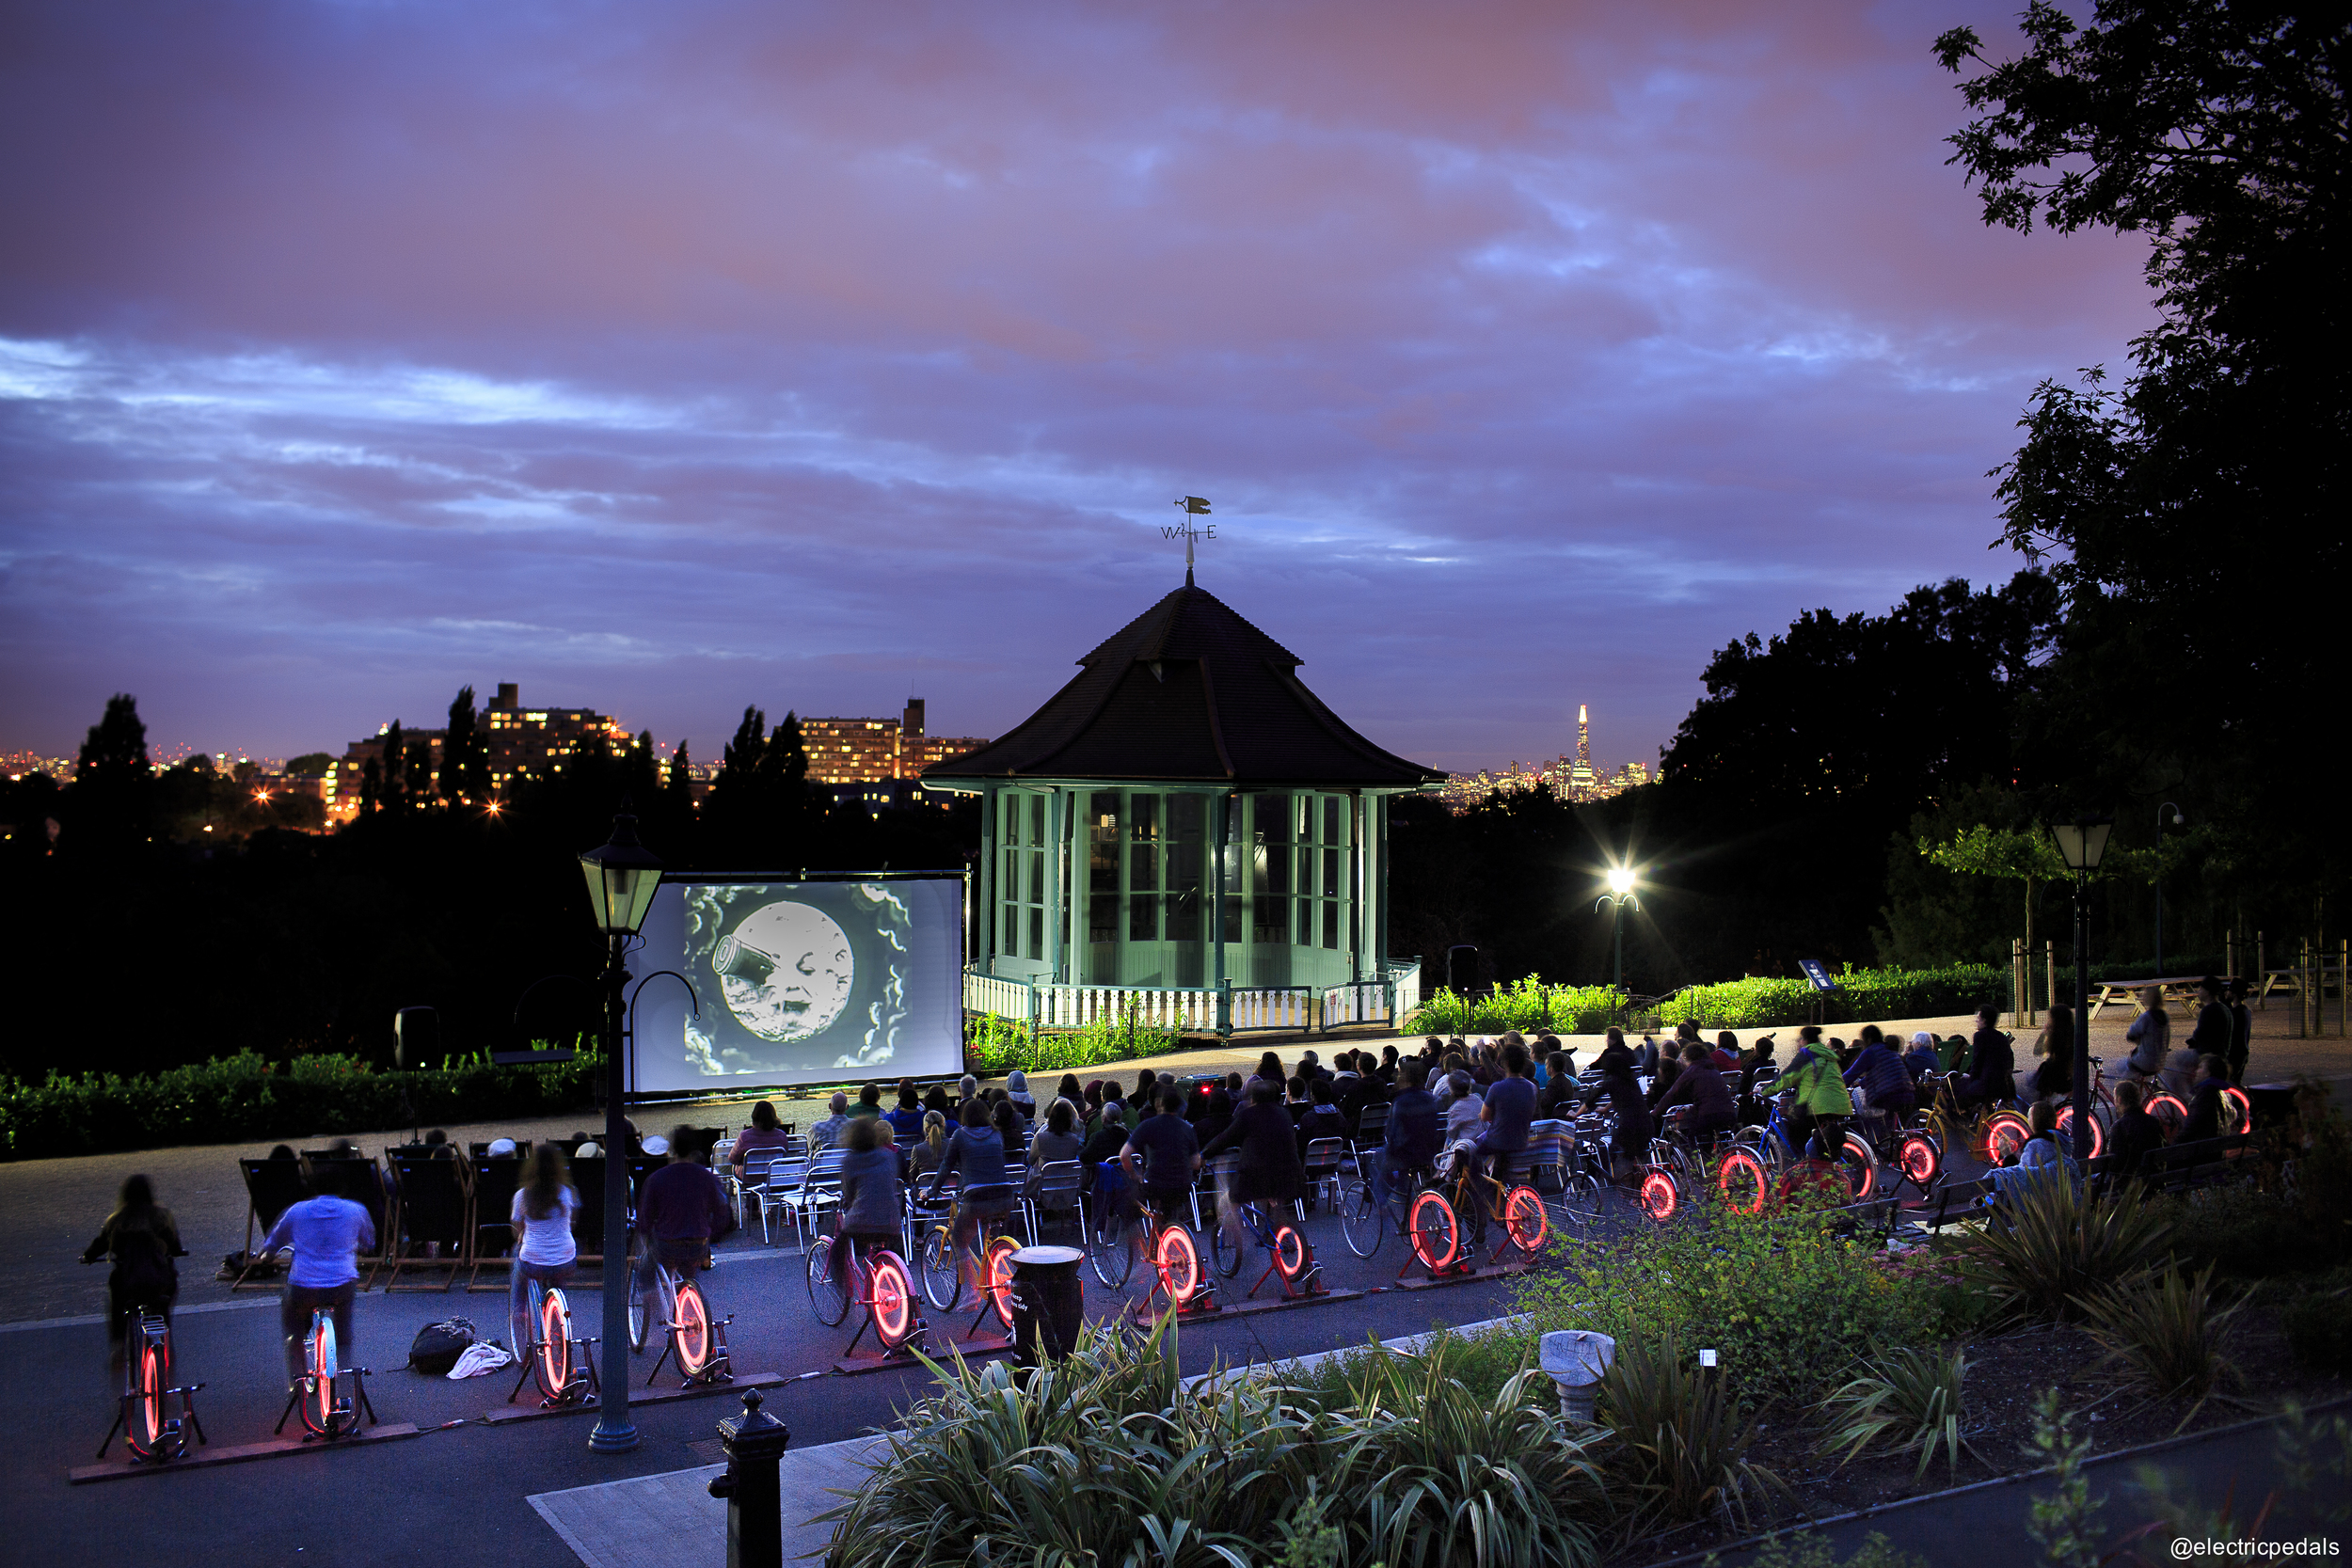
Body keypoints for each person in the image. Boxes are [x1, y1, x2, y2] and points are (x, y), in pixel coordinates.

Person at [260, 1160, 376, 1392]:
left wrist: (267, 1256)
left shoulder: (297, 1211)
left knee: (293, 1324)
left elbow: (272, 1243)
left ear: (313, 1186)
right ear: (342, 1187)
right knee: (343, 1331)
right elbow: (369, 1242)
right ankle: (340, 1370)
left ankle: (297, 1381)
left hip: (304, 1285)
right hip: (342, 1283)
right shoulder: (356, 1210)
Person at [634, 1127, 735, 1345]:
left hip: (667, 1245)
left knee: (645, 1267)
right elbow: (723, 1210)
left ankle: (651, 1313)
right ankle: (693, 1314)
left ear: (672, 1149)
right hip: (699, 1243)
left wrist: (648, 1235)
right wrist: (711, 1234)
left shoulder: (657, 1178)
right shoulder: (706, 1177)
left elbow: (645, 1219)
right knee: (689, 1276)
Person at [81, 1174, 183, 1392]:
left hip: (128, 1285)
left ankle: (118, 1345)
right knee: (162, 1311)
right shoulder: (163, 1217)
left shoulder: (117, 1220)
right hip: (159, 1283)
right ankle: (167, 1353)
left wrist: (88, 1257)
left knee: (117, 1298)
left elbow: (98, 1247)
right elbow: (175, 1247)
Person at [1200, 1080, 1306, 1255]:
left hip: (1255, 1175)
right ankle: (1279, 1230)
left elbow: (1225, 1138)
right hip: (1291, 1173)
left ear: (1252, 1099)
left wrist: (1204, 1154)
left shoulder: (1248, 1115)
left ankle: (1239, 1240)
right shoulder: (1285, 1114)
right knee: (1275, 1197)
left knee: (1229, 1200)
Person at [926, 1101, 1015, 1291]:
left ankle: (971, 1293)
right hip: (1005, 1195)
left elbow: (946, 1166)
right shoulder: (997, 1134)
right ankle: (995, 1270)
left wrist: (932, 1191)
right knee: (991, 1239)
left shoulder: (959, 1135)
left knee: (959, 1238)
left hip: (977, 1197)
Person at [507, 1145, 579, 1354]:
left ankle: (519, 1310)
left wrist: (523, 1235)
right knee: (558, 1276)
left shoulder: (522, 1196)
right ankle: (559, 1323)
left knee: (517, 1253)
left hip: (533, 1262)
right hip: (564, 1260)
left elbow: (517, 1230)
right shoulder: (567, 1193)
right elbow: (571, 1224)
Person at [829, 1116, 902, 1291]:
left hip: (862, 1222)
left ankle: (840, 1285)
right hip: (892, 1220)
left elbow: (849, 1194)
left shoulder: (850, 1161)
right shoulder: (888, 1155)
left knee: (837, 1248)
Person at [1120, 1086, 1201, 1226]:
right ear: (1180, 1107)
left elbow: (1124, 1155)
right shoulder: (1187, 1128)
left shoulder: (1148, 1126)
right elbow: (1196, 1163)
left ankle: (1132, 1234)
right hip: (1183, 1184)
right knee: (1170, 1207)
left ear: (1159, 1104)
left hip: (1156, 1184)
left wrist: (1134, 1174)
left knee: (1129, 1198)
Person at [1470, 1042, 1538, 1211]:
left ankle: (1477, 1201)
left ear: (1504, 1063)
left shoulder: (1497, 1088)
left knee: (1470, 1156)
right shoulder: (1532, 1088)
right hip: (1522, 1139)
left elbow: (1485, 1116)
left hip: (1498, 1141)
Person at [1778, 1024, 1854, 1163]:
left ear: (1805, 1040)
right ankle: (1820, 1160)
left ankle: (1805, 1164)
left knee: (1794, 1128)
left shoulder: (1806, 1054)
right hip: (1840, 1105)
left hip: (1819, 1107)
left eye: (1800, 1039)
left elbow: (1785, 1079)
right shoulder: (1828, 1055)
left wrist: (1764, 1089)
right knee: (1818, 1134)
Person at [1582, 1035, 1652, 1182]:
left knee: (1611, 1151)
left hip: (1629, 1126)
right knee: (1637, 1156)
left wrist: (1574, 1113)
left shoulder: (1610, 1082)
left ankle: (1618, 1183)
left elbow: (1590, 1101)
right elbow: (1625, 1097)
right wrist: (1607, 1107)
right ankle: (1641, 1186)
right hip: (1646, 1123)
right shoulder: (1631, 1080)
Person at [1654, 1041, 1737, 1147]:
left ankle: (1696, 1162)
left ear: (1688, 1057)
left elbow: (1672, 1093)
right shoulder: (1713, 1069)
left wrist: (1655, 1113)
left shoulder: (1693, 1070)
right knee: (1715, 1142)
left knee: (1691, 1139)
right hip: (1729, 1112)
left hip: (1709, 1114)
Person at [1951, 1006, 2016, 1111]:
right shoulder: (2001, 1037)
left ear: (1984, 1020)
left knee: (1954, 1101)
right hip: (2005, 1085)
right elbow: (2010, 1058)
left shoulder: (1980, 1036)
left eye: (1978, 1018)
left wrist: (1972, 1078)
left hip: (1987, 1085)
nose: (1976, 1021)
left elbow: (1977, 1060)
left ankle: (1957, 1123)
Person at [1842, 1026, 1916, 1117]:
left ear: (1868, 1039)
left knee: (1866, 1114)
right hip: (1907, 1091)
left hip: (1889, 1094)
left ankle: (1875, 1131)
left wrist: (1837, 1084)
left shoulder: (1870, 1052)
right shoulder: (1889, 1049)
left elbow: (1852, 1073)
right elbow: (1885, 1073)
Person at [2104, 1080, 2164, 1189]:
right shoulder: (2153, 1122)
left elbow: (2115, 1165)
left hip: (2128, 1185)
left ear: (2120, 1100)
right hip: (2154, 1182)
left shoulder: (2120, 1127)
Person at [1026, 1100, 1085, 1196]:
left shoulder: (1040, 1138)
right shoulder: (1074, 1140)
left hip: (1042, 1187)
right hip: (1067, 1187)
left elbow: (1031, 1160)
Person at [2184, 977, 2234, 1082]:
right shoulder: (2225, 1009)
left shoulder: (2208, 1010)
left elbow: (2199, 1034)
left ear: (2207, 992)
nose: (2198, 992)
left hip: (2207, 1054)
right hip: (2223, 1053)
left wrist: (2191, 1041)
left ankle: (2186, 1094)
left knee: (2178, 1061)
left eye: (2201, 989)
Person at [2180, 1055, 2235, 1143]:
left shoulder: (2206, 1095)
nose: (2196, 1071)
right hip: (2216, 1149)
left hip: (2203, 1151)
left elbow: (2191, 1128)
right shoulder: (2221, 1093)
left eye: (2200, 1067)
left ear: (2208, 1073)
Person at [729, 1101, 796, 1173]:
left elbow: (733, 1159)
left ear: (754, 1116)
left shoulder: (744, 1136)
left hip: (748, 1178)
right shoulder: (781, 1136)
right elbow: (783, 1157)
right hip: (773, 1176)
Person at [2026, 1006, 2074, 1104]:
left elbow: (2037, 1051)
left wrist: (2044, 1033)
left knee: (2031, 1084)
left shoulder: (2056, 1037)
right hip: (2065, 1077)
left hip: (2054, 1078)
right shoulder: (2072, 1034)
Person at [2124, 989, 2171, 1082]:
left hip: (2144, 1062)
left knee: (2121, 1065)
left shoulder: (2146, 1017)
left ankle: (2127, 1092)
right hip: (2160, 1061)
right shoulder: (2165, 1016)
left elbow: (2131, 1034)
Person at [911, 1110, 950, 1180]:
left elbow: (912, 1176)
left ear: (925, 1129)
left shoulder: (918, 1149)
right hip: (951, 1188)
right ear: (944, 1126)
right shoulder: (953, 1145)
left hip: (925, 1188)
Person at [2228, 978, 2254, 1085]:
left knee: (2230, 1083)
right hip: (2243, 1053)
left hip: (2235, 1055)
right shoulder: (2245, 1011)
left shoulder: (2236, 1013)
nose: (2226, 993)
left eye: (2229, 991)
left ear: (2234, 994)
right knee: (2236, 1084)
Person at [885, 1081, 928, 1147]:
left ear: (900, 1102)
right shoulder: (926, 1119)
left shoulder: (888, 1119)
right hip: (919, 1155)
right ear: (917, 1103)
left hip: (896, 1155)